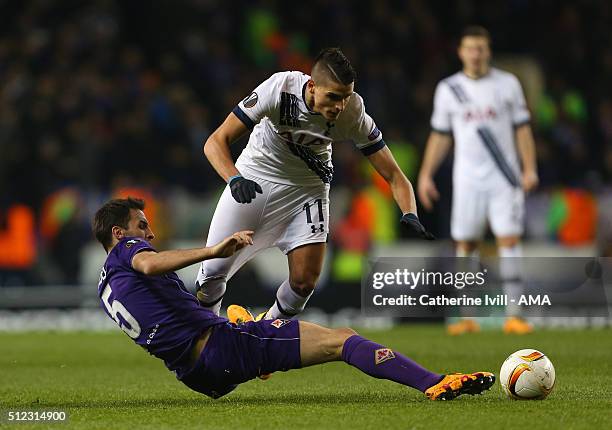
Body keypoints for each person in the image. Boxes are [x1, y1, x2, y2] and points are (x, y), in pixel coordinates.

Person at [92, 197, 494, 400]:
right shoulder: (130, 253)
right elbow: (151, 263)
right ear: (118, 233)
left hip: (195, 375)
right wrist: (214, 251)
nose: (149, 234)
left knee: (251, 332)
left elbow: (173, 317)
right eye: (141, 227)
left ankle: (254, 332)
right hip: (222, 352)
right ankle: (436, 382)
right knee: (343, 339)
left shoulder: (105, 286)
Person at [195, 47, 434, 323]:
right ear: (311, 86)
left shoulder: (353, 112)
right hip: (255, 180)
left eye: (345, 97)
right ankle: (205, 337)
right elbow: (215, 141)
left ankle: (264, 333)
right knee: (211, 275)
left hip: (307, 192)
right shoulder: (279, 89)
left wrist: (410, 212)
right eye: (333, 96)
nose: (339, 106)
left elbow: (394, 174)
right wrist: (234, 178)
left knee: (304, 283)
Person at [417, 26, 538, 335]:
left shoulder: (507, 84)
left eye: (481, 48)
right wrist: (426, 173)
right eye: (470, 48)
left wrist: (529, 168)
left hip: (504, 177)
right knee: (465, 244)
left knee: (508, 240)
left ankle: (515, 316)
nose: (476, 53)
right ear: (460, 52)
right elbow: (441, 135)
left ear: (488, 51)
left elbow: (522, 128)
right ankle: (466, 317)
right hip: (468, 180)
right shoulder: (449, 89)